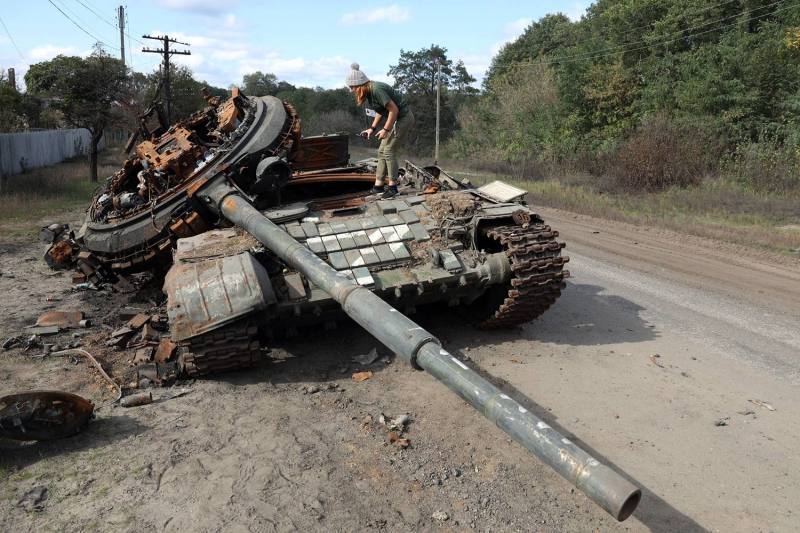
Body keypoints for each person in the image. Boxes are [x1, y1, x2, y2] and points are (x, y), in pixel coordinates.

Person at [346, 63, 415, 198]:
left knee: (389, 150)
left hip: (404, 118)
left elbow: (393, 110)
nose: (352, 90)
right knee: (381, 151)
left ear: (360, 85)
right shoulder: (370, 92)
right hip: (396, 119)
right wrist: (372, 128)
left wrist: (385, 129)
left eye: (352, 87)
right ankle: (378, 186)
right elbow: (380, 111)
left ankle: (393, 187)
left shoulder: (376, 89)